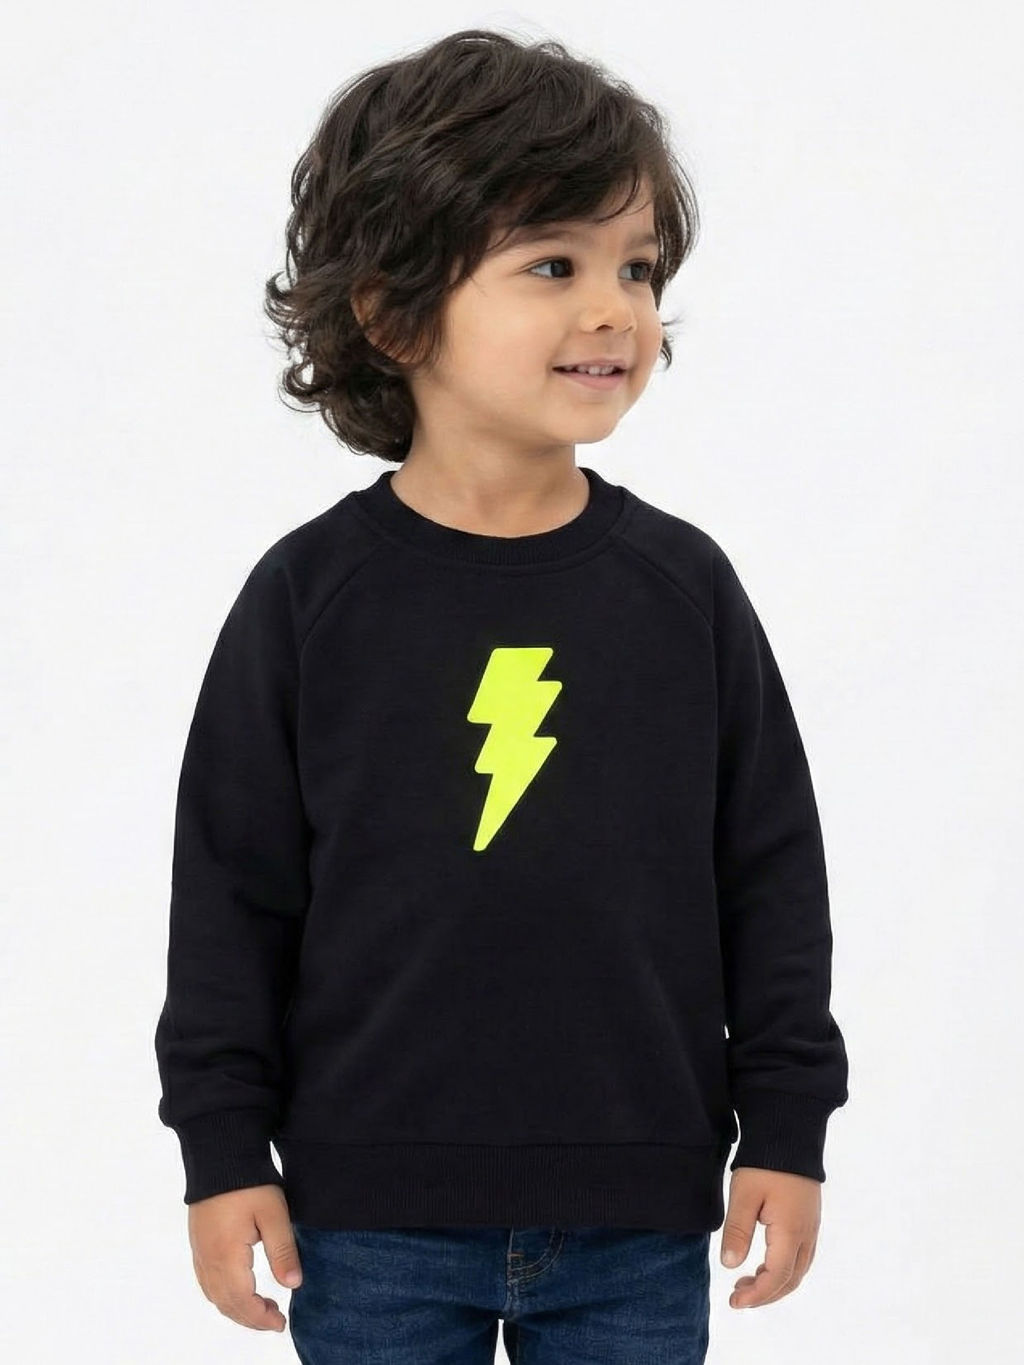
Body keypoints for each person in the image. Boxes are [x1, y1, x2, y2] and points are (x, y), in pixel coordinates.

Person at [154, 27, 849, 1364]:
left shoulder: (684, 593)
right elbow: (232, 895)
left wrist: (788, 1124)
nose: (616, 309)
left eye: (636, 266)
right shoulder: (309, 600)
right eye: (552, 265)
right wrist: (222, 1149)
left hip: (640, 1212)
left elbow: (771, 873)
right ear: (393, 312)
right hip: (370, 1217)